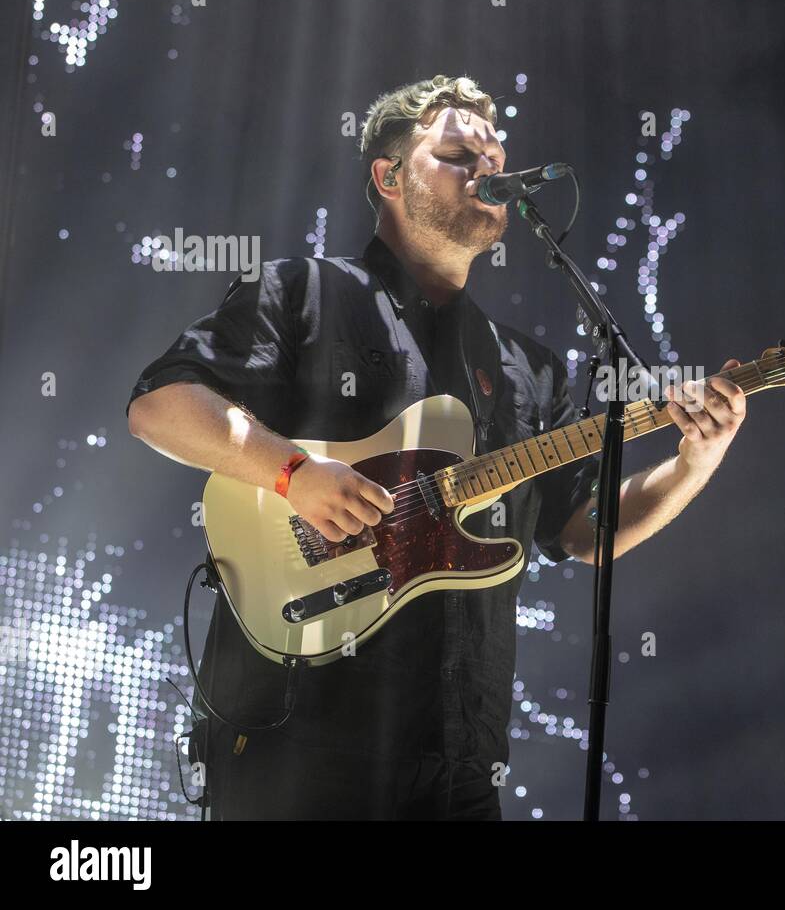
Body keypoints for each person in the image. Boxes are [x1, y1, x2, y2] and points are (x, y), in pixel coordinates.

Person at [125, 75, 747, 819]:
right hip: (299, 752)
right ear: (388, 177)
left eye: (495, 156)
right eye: (458, 154)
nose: (487, 170)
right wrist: (293, 474)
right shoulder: (303, 292)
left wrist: (692, 463)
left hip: (460, 767)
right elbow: (161, 408)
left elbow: (584, 532)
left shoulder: (528, 367)